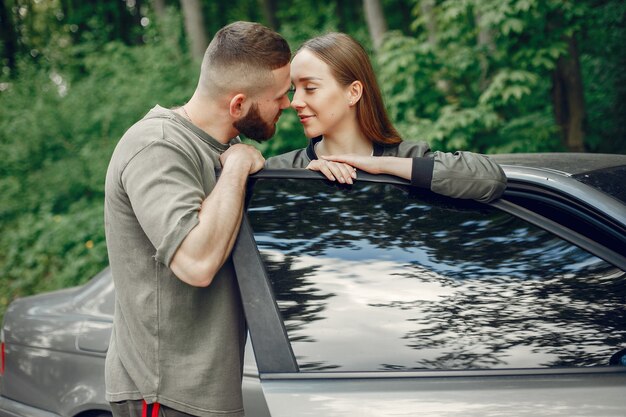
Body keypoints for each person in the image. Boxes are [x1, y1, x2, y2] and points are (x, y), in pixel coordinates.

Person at [104, 22, 291, 417]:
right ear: (238, 105)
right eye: (280, 96)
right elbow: (197, 262)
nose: (288, 104)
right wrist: (238, 166)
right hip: (165, 395)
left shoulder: (225, 146)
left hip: (207, 395)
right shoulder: (157, 145)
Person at [266, 33, 506, 203]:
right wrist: (302, 181)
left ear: (353, 92)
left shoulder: (408, 158)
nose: (295, 102)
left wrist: (377, 166)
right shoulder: (280, 170)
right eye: (293, 90)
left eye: (310, 88)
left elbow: (491, 180)